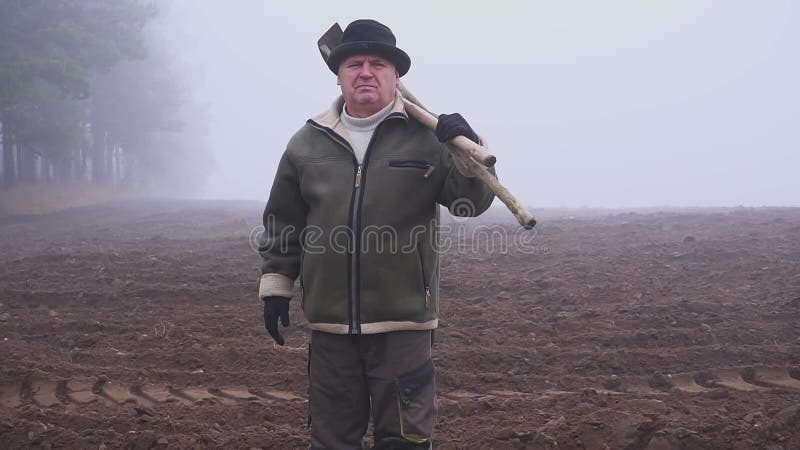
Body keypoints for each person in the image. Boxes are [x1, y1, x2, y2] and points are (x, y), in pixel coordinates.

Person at [257, 19, 496, 449]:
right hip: (330, 328)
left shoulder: (428, 140)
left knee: (404, 441)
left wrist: (466, 148)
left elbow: (472, 202)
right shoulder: (306, 144)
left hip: (403, 324)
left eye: (378, 63)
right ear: (338, 74)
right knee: (331, 442)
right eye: (354, 63)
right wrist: (276, 286)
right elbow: (283, 222)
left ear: (396, 76)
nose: (365, 72)